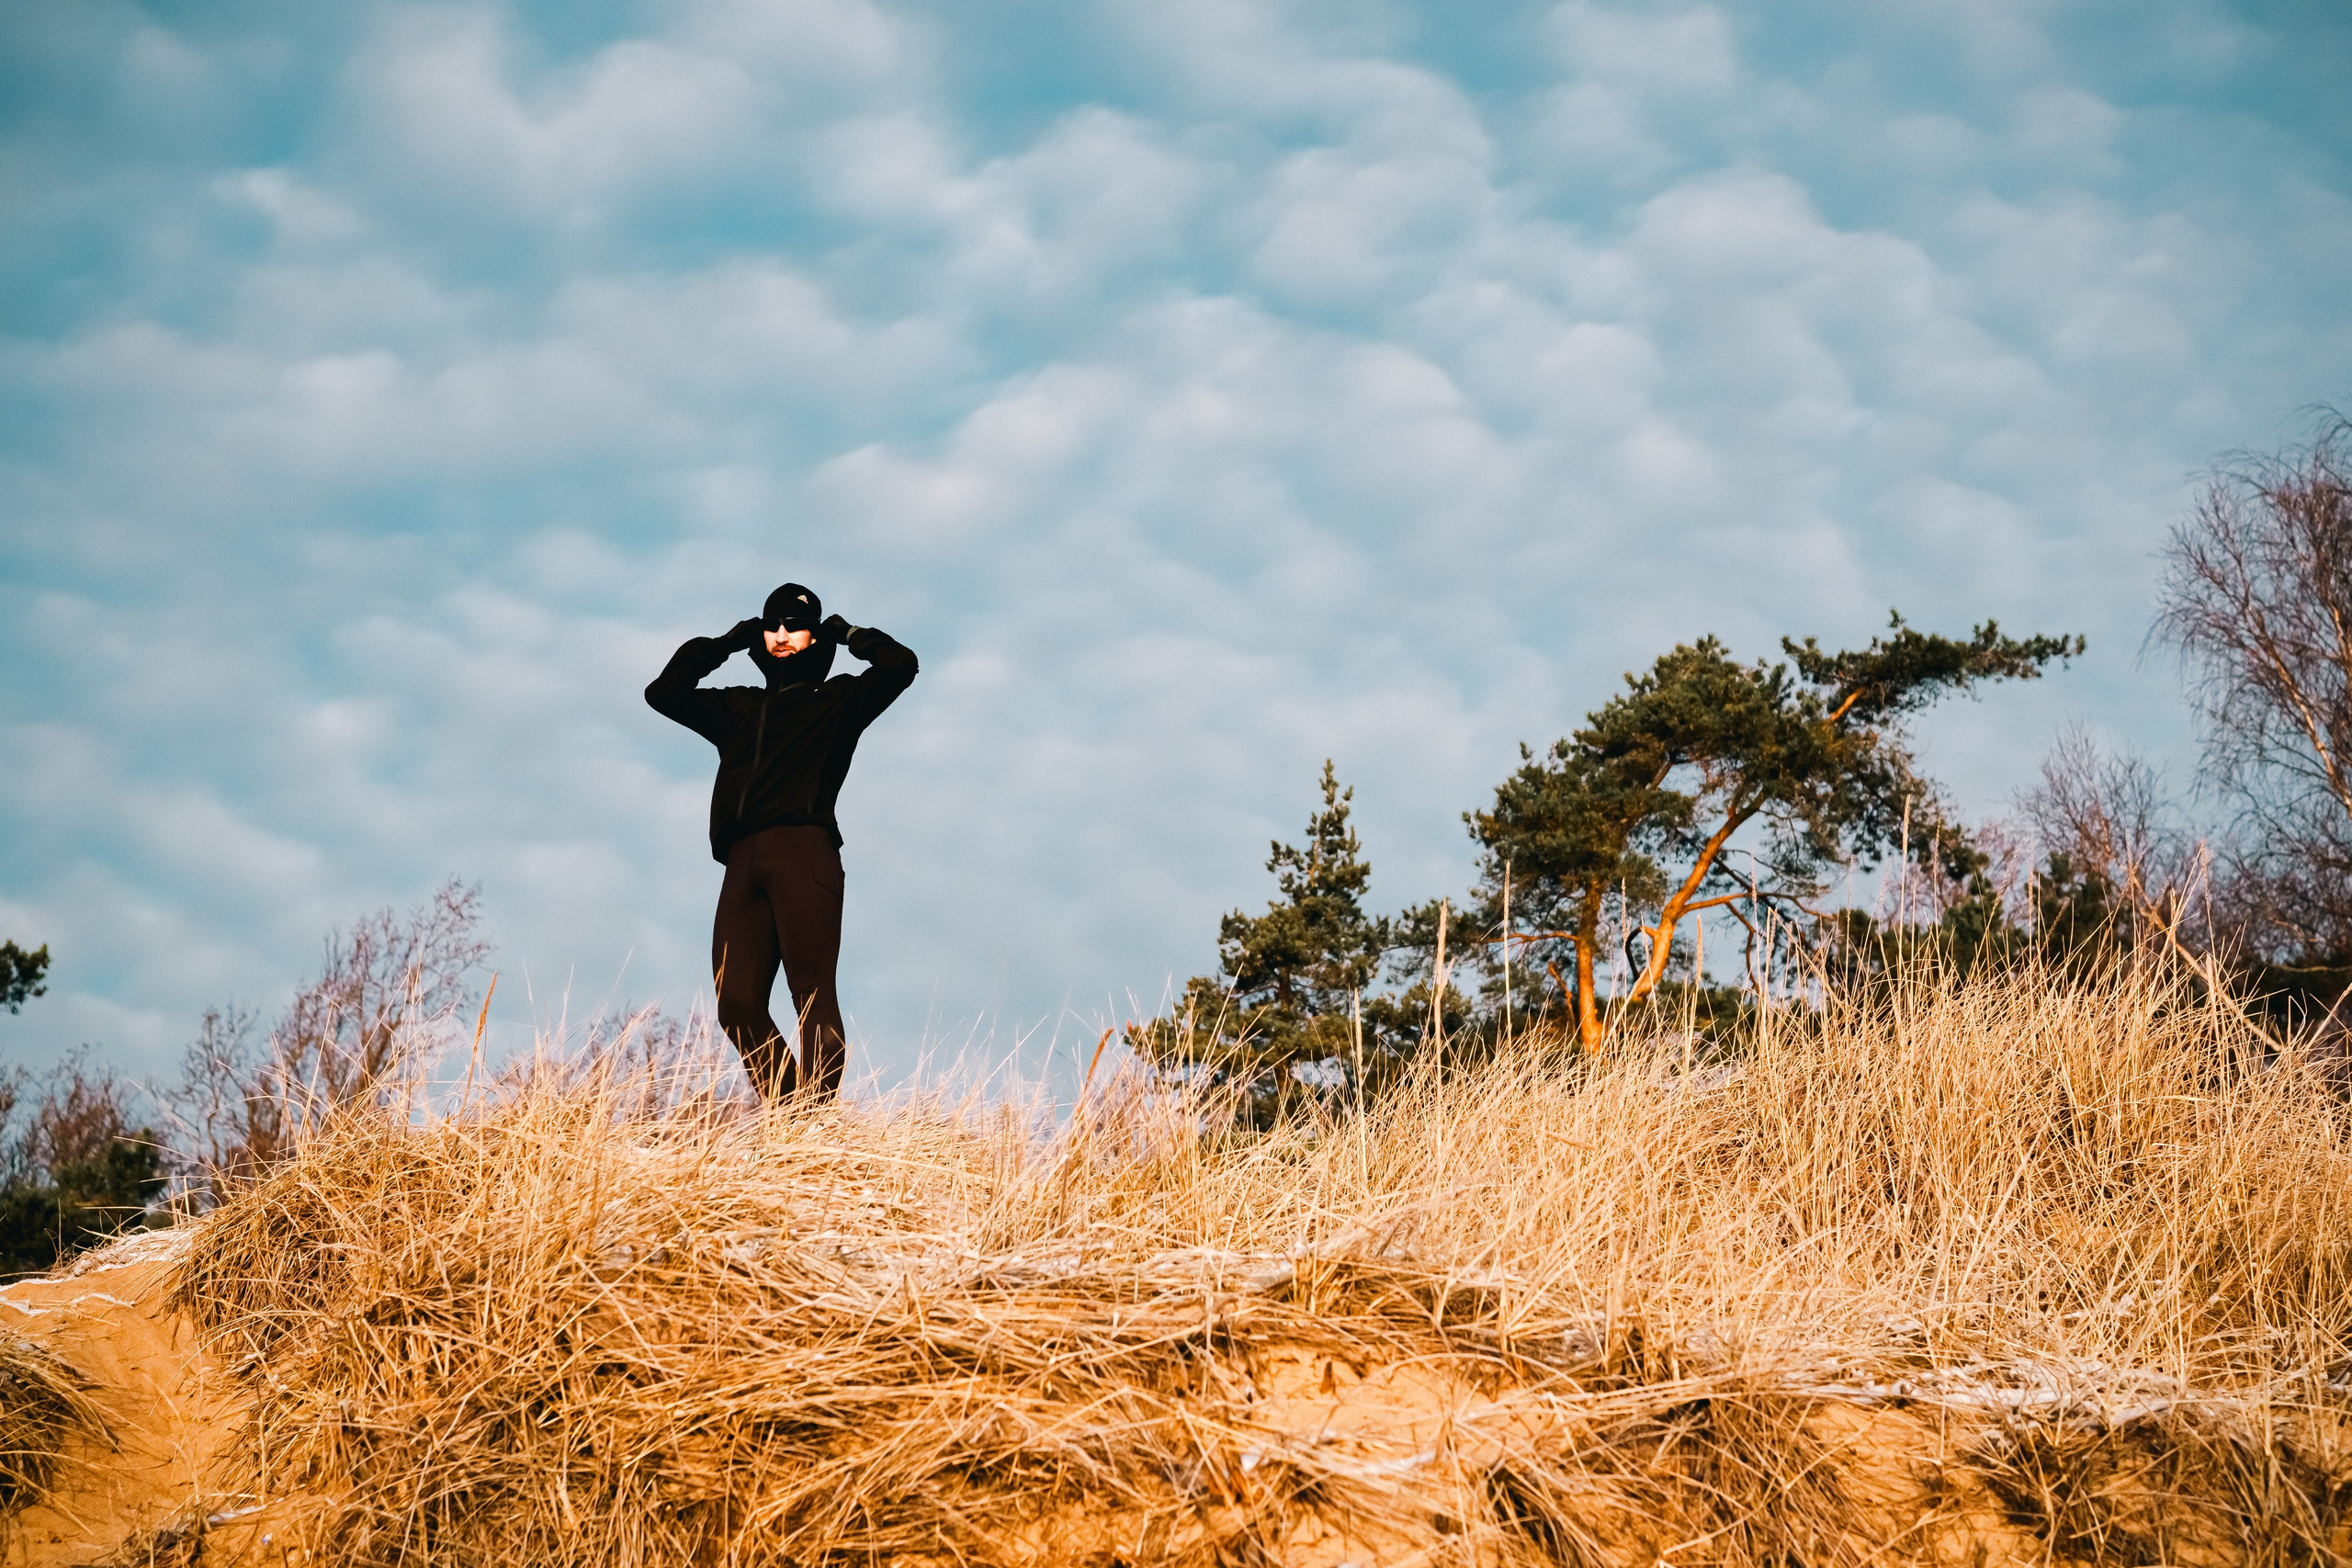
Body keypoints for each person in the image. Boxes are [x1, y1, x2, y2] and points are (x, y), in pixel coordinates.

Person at [645, 583, 918, 1100]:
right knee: (736, 1004)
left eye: (795, 626)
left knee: (811, 995)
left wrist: (848, 633)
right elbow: (663, 694)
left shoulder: (840, 700)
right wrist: (725, 643)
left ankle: (812, 1121)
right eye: (772, 626)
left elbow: (900, 665)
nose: (782, 635)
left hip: (804, 850)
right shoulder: (739, 707)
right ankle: (792, 1115)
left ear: (815, 637)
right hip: (741, 860)